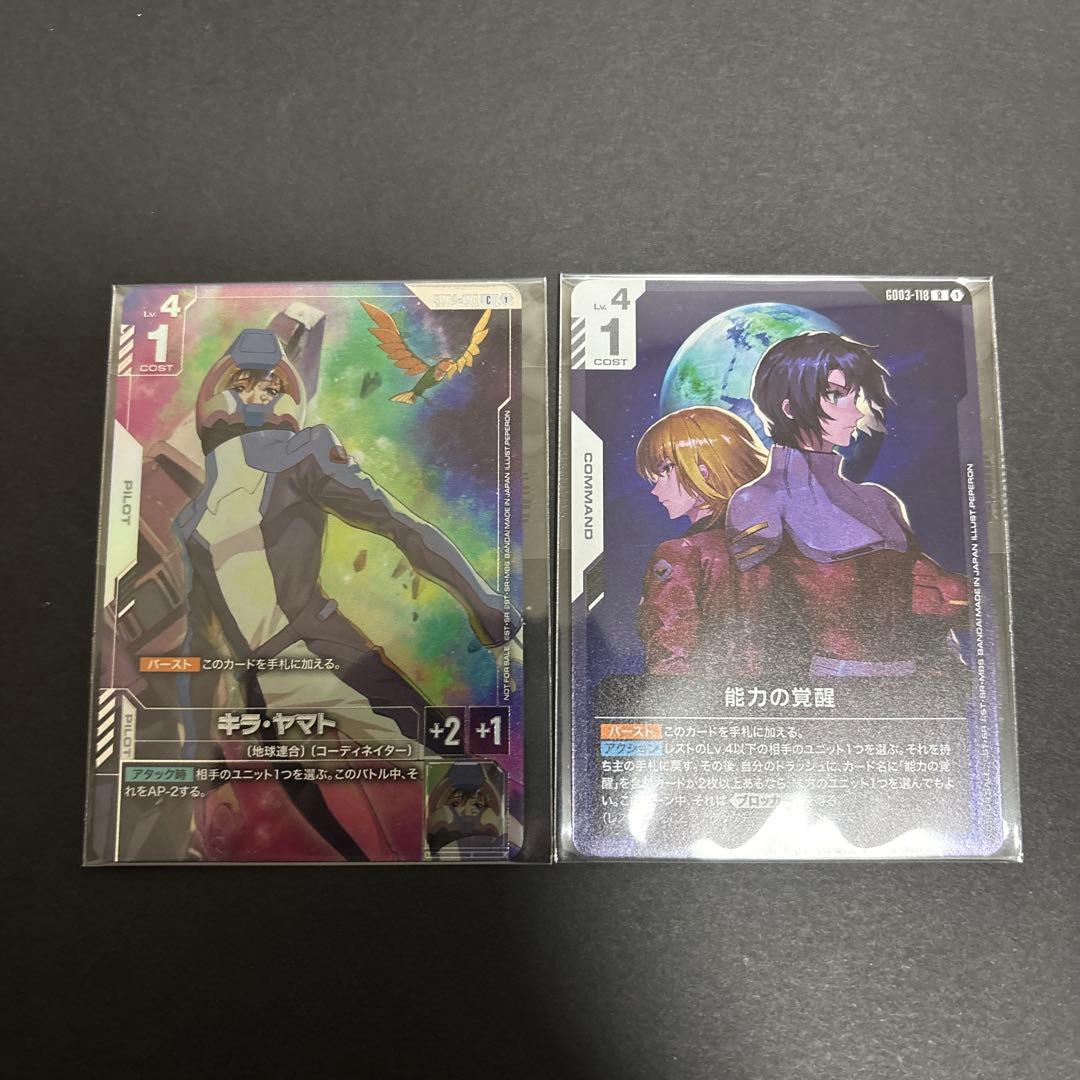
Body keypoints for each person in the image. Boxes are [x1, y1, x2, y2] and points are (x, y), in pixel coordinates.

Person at [178, 328, 521, 860]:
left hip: (328, 655)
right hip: (261, 695)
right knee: (336, 843)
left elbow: (397, 524)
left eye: (269, 387)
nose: (256, 398)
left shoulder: (303, 454)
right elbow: (196, 647)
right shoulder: (190, 522)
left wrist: (484, 604)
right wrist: (202, 764)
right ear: (217, 395)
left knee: (456, 778)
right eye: (244, 385)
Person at [725, 331, 970, 689]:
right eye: (835, 395)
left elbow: (937, 612)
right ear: (789, 408)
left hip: (916, 691)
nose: (855, 412)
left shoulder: (879, 500)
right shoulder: (760, 499)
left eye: (856, 396)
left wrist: (954, 681)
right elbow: (749, 632)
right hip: (828, 693)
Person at [634, 406, 768, 675]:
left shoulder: (682, 554)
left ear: (703, 470)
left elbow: (671, 658)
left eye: (665, 470)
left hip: (705, 695)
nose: (656, 489)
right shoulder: (781, 546)